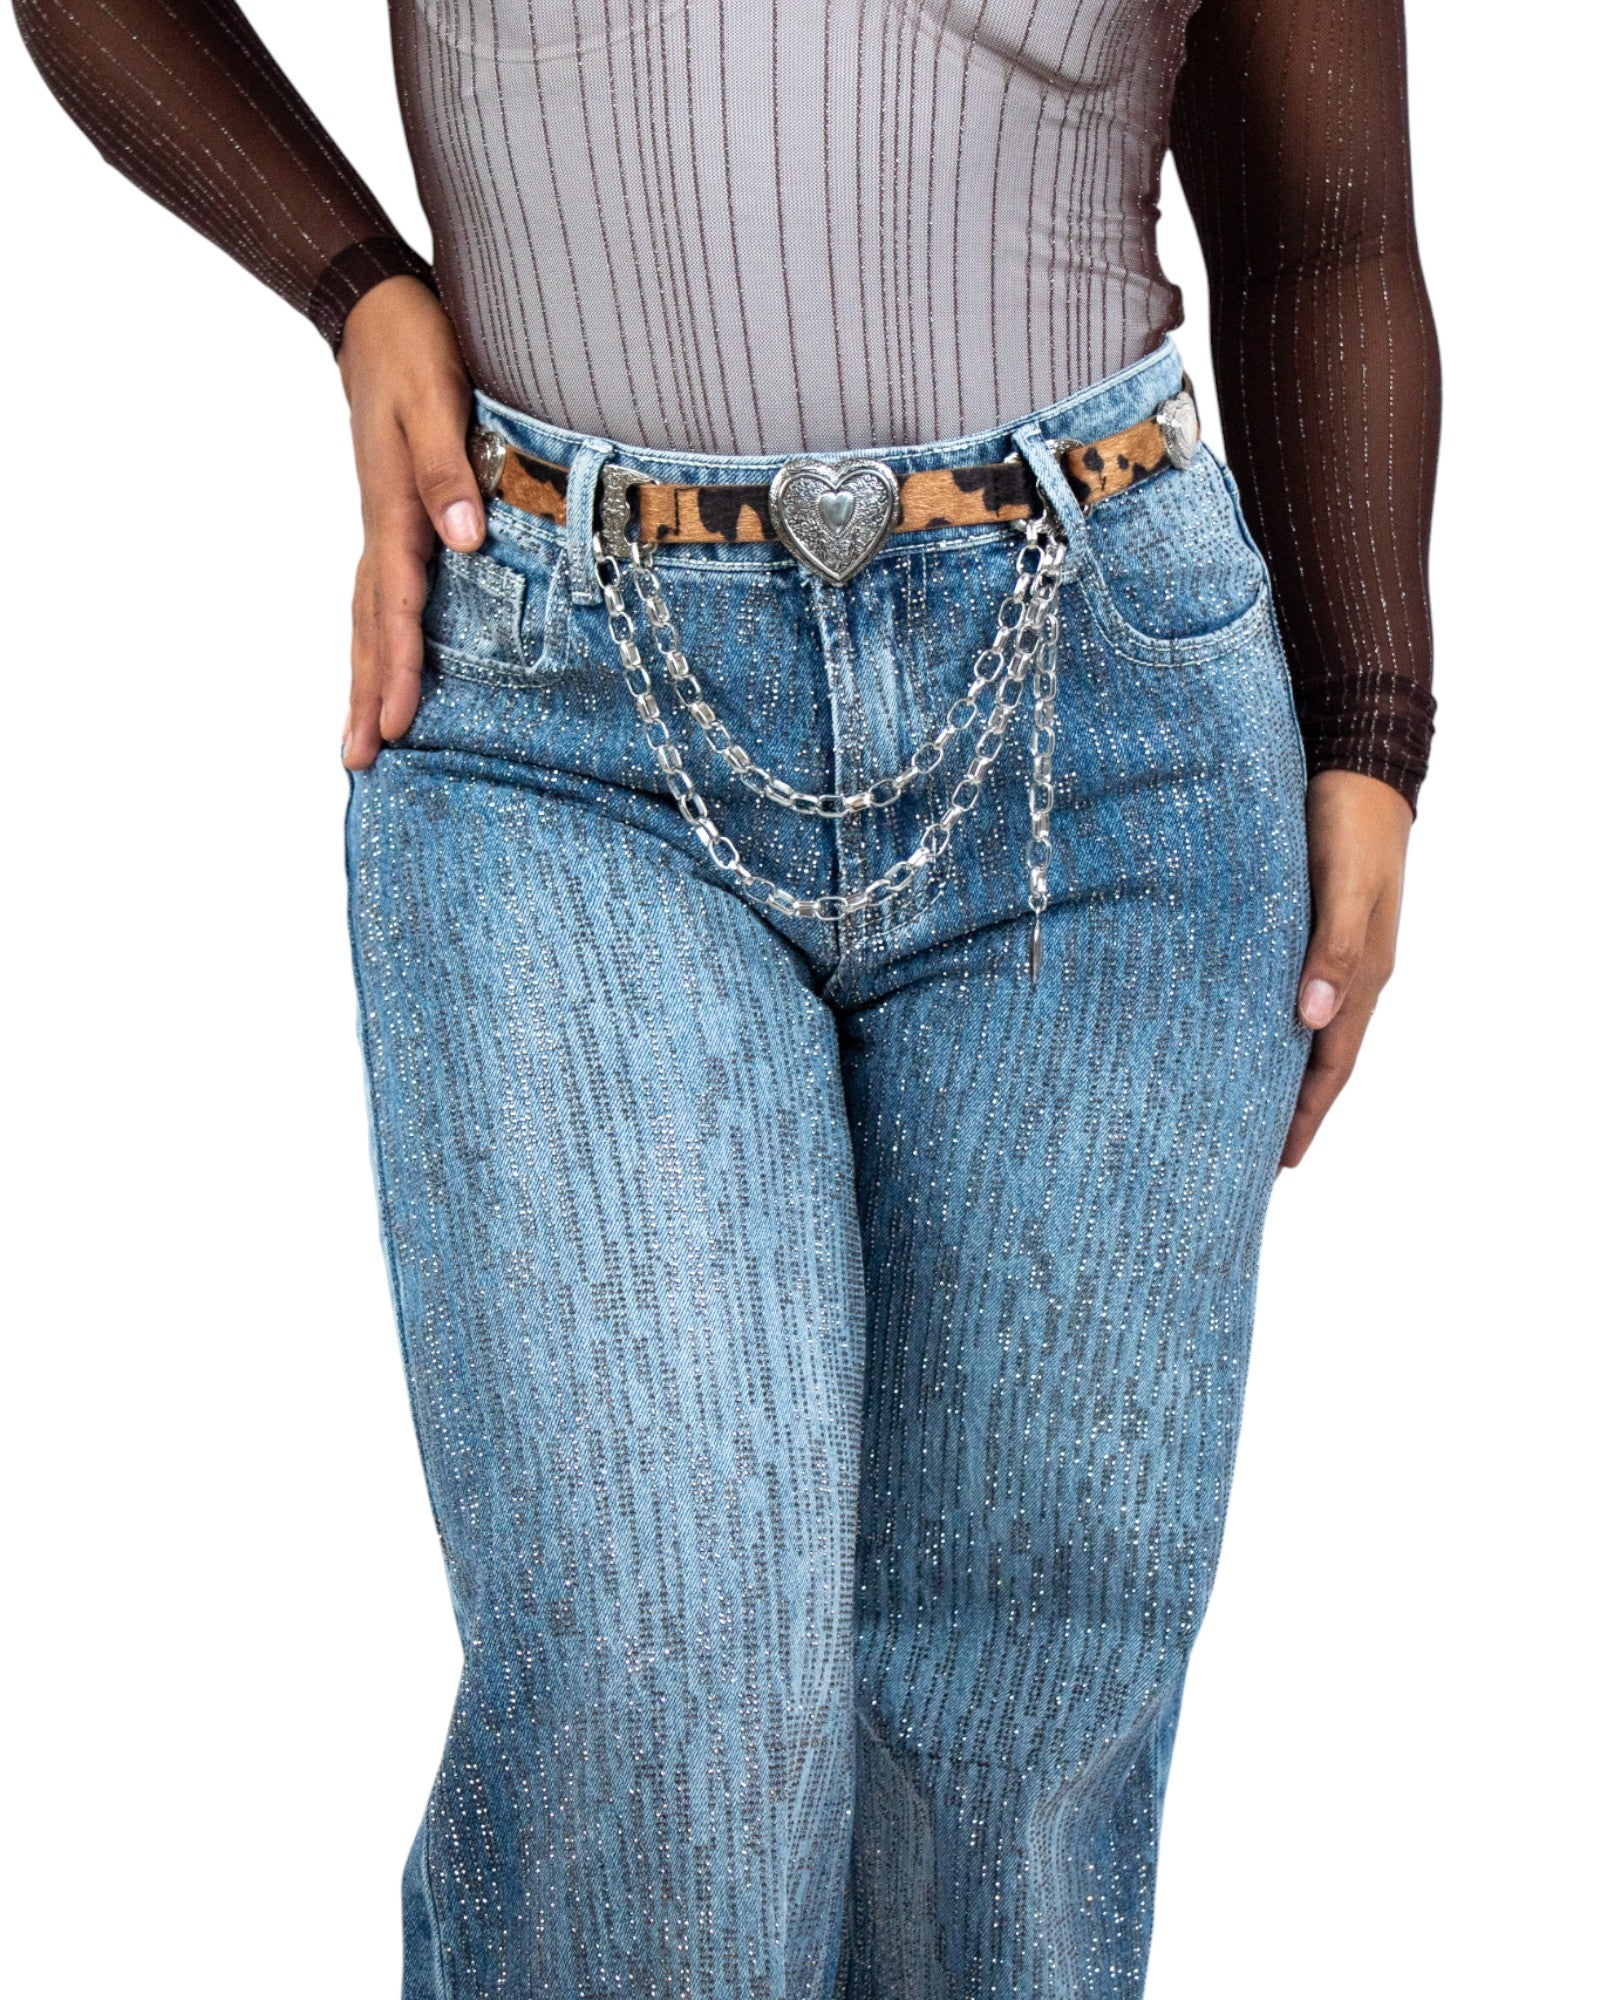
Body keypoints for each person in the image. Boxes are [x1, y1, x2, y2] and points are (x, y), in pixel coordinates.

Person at [14, 2, 1437, 1993]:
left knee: (1010, 1751)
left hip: (1102, 718)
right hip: (556, 702)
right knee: (658, 1702)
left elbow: (1321, 229)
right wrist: (352, 287)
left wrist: (1370, 721)